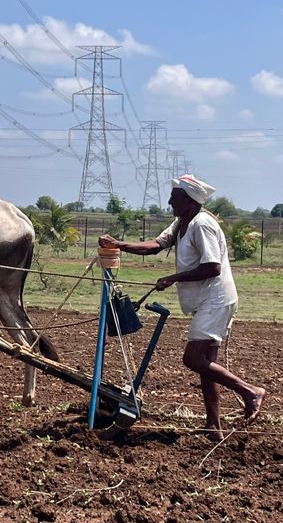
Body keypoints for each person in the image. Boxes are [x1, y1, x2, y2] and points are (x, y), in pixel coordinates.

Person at [99, 175, 266, 439]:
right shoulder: (182, 222)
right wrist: (119, 245)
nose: (169, 201)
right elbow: (156, 245)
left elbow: (213, 267)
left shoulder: (202, 225)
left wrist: (173, 278)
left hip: (216, 299)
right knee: (206, 364)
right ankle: (214, 426)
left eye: (174, 197)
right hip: (206, 301)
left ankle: (250, 392)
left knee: (193, 359)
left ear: (188, 201)